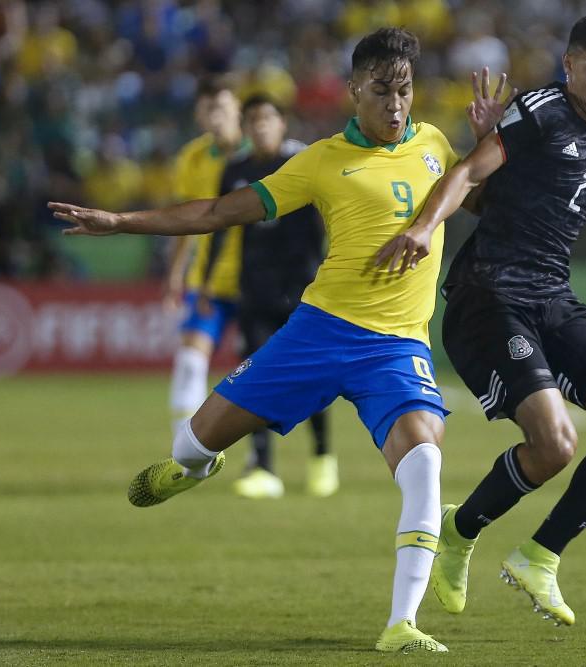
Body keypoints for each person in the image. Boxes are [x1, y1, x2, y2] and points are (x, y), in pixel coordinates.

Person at [49, 28, 513, 653]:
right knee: (188, 440)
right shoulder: (320, 161)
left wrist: (486, 143)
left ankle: (402, 623)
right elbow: (218, 213)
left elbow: (484, 204)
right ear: (354, 90)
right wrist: (120, 222)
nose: (396, 104)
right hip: (318, 334)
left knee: (426, 464)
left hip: (398, 348)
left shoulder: (433, 143)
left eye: (403, 90)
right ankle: (198, 463)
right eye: (382, 91)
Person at [376, 14, 586, 627]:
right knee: (556, 444)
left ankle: (540, 555)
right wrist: (424, 227)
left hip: (552, 296)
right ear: (569, 66)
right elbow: (469, 172)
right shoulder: (539, 110)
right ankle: (460, 530)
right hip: (490, 294)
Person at [201, 94, 336, 500]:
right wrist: (207, 280)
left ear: (283, 123)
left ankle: (322, 455)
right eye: (254, 120)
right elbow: (219, 223)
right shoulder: (237, 169)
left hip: (303, 289)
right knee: (256, 375)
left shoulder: (305, 162)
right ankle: (261, 466)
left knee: (311, 376)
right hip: (255, 286)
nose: (261, 127)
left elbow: (331, 215)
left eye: (268, 119)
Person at [165, 78, 250, 437]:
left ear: (238, 112)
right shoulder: (192, 158)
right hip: (208, 283)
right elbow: (184, 221)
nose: (216, 116)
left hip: (255, 282)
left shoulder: (261, 156)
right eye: (210, 110)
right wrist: (175, 276)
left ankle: (261, 461)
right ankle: (184, 452)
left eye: (223, 108)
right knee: (189, 361)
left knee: (259, 373)